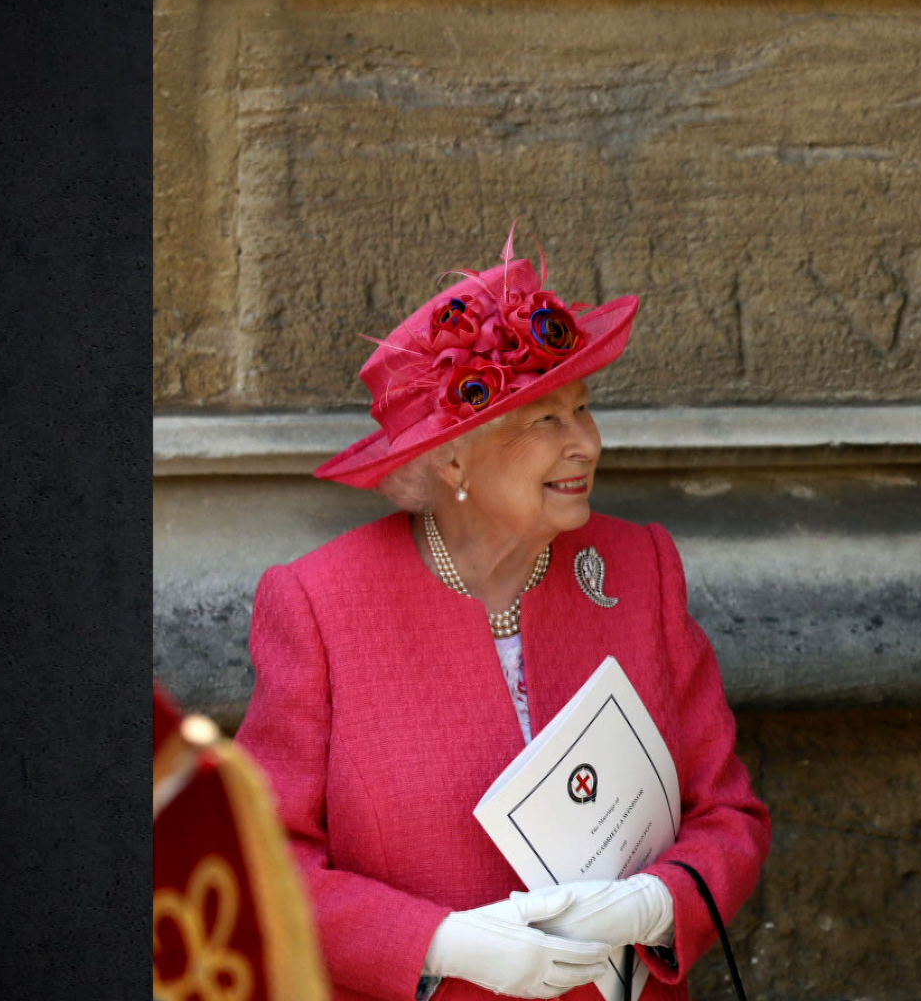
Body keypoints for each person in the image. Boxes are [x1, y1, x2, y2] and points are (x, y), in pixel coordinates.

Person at [236, 231, 771, 1001]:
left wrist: (658, 903)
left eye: (583, 410)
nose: (586, 443)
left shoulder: (641, 570)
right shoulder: (321, 605)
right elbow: (263, 865)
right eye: (544, 422)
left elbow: (730, 816)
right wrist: (439, 944)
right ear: (453, 460)